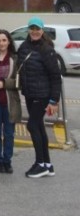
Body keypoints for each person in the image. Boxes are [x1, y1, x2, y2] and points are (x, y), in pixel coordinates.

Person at [17, 17, 62, 178]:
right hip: (30, 94)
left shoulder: (47, 49)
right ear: (28, 30)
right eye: (32, 28)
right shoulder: (24, 46)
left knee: (32, 125)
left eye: (37, 29)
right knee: (39, 126)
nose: (34, 31)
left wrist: (53, 101)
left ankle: (40, 164)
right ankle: (47, 165)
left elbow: (55, 77)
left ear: (42, 31)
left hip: (42, 95)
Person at [0, 29, 19, 174]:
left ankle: (7, 161)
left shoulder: (15, 58)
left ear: (9, 41)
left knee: (9, 133)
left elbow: (20, 82)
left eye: (4, 40)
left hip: (9, 103)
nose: (1, 43)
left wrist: (4, 84)